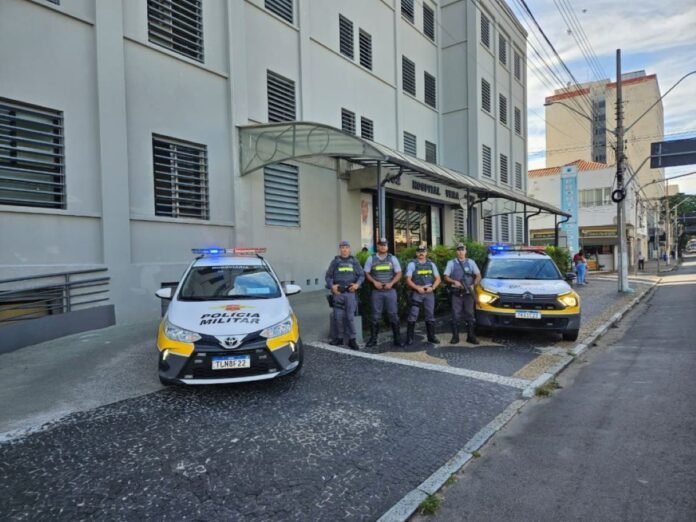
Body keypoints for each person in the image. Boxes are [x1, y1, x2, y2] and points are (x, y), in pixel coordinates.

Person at [363, 237, 405, 347]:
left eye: (384, 245)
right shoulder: (371, 258)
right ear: (377, 246)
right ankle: (373, 339)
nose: (383, 247)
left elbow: (399, 273)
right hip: (377, 291)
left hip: (390, 290)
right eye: (381, 245)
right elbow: (366, 273)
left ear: (387, 246)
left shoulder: (392, 258)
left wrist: (391, 283)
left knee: (393, 314)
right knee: (375, 316)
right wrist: (374, 282)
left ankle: (397, 339)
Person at [325, 240, 364, 350]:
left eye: (346, 247)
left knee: (350, 317)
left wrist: (357, 285)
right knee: (338, 317)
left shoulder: (354, 261)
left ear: (349, 249)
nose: (344, 249)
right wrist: (332, 286)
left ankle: (352, 339)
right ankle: (339, 338)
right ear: (340, 249)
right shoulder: (335, 262)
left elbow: (361, 275)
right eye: (342, 247)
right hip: (338, 293)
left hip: (350, 293)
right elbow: (328, 276)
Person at [443, 243, 481, 345]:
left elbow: (478, 275)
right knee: (455, 315)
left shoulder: (471, 262)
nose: (460, 252)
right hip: (456, 292)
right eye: (459, 250)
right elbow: (445, 276)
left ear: (465, 251)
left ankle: (471, 337)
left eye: (462, 250)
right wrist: (454, 281)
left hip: (469, 293)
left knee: (470, 314)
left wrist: (474, 284)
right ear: (456, 252)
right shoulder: (451, 263)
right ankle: (455, 337)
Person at [405, 245, 442, 345]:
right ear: (416, 253)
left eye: (423, 251)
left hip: (429, 292)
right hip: (417, 292)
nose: (421, 253)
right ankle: (409, 338)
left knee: (430, 315)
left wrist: (433, 288)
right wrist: (417, 288)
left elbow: (438, 279)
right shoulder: (412, 264)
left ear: (426, 253)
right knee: (413, 314)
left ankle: (431, 337)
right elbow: (408, 279)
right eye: (419, 251)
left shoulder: (431, 264)